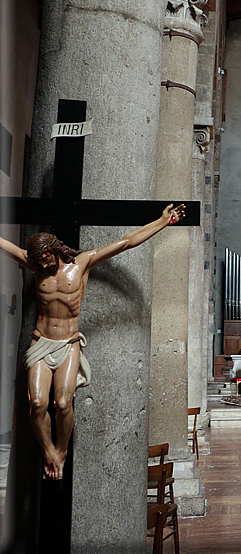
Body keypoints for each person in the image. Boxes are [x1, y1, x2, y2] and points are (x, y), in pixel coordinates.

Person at [0, 203, 186, 480]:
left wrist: (162, 222)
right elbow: (5, 246)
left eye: (44, 259)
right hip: (41, 341)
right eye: (36, 261)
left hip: (69, 342)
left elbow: (125, 243)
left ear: (53, 251)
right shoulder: (37, 267)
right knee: (37, 403)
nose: (40, 265)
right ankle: (48, 451)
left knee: (63, 403)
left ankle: (61, 450)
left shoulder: (82, 263)